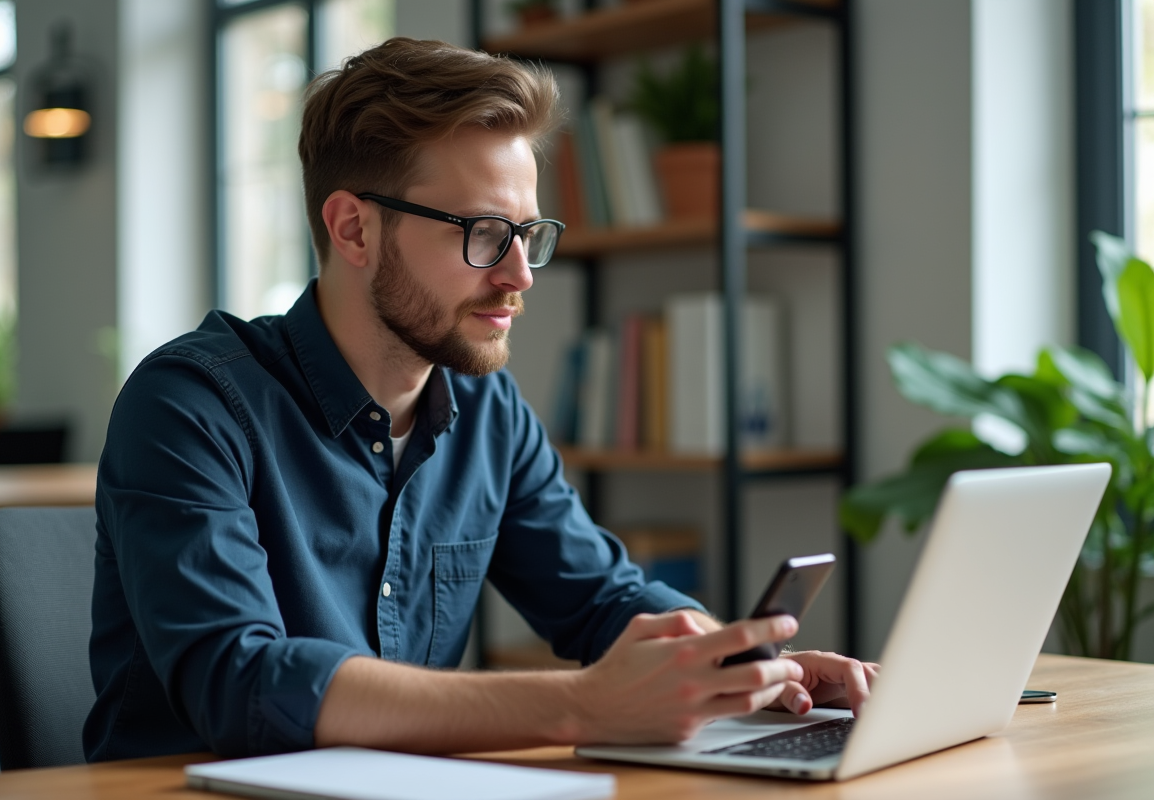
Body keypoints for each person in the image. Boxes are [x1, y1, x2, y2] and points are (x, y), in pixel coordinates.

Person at [84, 37, 875, 762]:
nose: (520, 275)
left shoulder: (485, 410)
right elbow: (242, 682)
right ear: (354, 229)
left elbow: (602, 599)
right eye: (484, 233)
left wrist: (729, 663)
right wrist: (582, 705)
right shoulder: (189, 405)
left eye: (528, 235)